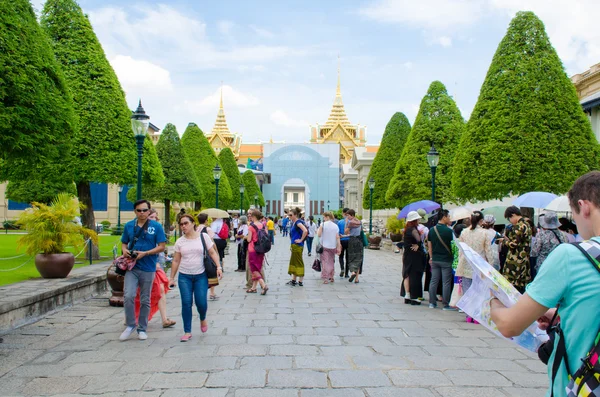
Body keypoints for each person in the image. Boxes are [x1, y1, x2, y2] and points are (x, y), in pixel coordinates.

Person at [490, 171, 600, 396]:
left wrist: (492, 302)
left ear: (584, 206)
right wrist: (558, 314)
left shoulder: (572, 256)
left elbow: (510, 325)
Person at [169, 214, 222, 342]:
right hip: (184, 276)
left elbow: (212, 252)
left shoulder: (203, 237)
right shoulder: (180, 241)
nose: (183, 226)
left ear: (193, 223)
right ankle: (187, 331)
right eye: (181, 224)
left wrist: (219, 267)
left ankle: (202, 317)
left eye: (186, 223)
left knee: (201, 302)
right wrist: (171, 278)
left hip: (200, 275)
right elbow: (176, 260)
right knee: (186, 303)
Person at [119, 199, 167, 341]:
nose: (142, 213)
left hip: (148, 266)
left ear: (149, 211)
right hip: (132, 266)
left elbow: (161, 246)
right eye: (139, 210)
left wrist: (146, 253)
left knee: (145, 298)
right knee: (128, 295)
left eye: (145, 210)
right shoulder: (129, 226)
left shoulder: (156, 226)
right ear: (135, 211)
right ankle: (130, 324)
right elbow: (123, 243)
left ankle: (142, 327)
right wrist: (124, 251)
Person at [134, 209, 176, 328]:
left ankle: (164, 319)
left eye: (156, 217)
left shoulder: (157, 229)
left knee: (161, 289)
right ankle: (131, 317)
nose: (154, 219)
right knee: (137, 293)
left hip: (155, 265)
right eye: (152, 217)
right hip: (140, 265)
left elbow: (161, 246)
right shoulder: (137, 228)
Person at [456, 211, 493, 322]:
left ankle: (469, 314)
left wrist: (459, 262)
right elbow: (488, 250)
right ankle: (477, 314)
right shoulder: (484, 233)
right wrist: (490, 265)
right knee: (479, 290)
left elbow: (461, 250)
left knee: (468, 290)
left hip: (466, 262)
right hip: (479, 264)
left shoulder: (464, 232)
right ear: (481, 220)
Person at [427, 209, 456, 310]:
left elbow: (429, 246)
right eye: (448, 216)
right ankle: (445, 304)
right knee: (446, 282)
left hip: (435, 259)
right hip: (446, 260)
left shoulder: (432, 230)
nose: (449, 218)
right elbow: (454, 247)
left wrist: (431, 257)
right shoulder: (449, 231)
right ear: (444, 217)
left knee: (434, 280)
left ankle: (432, 303)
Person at [502, 206, 532, 294]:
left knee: (513, 286)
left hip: (515, 261)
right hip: (524, 259)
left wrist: (504, 241)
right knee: (522, 284)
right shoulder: (527, 224)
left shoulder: (519, 226)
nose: (510, 221)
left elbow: (513, 244)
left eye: (509, 218)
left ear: (513, 215)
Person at [401, 211, 424, 305]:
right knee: (414, 275)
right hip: (414, 254)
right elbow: (418, 239)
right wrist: (418, 244)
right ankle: (414, 296)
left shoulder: (406, 229)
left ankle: (407, 294)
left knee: (407, 274)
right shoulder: (413, 229)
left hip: (407, 254)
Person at [245, 210, 269, 295]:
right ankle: (253, 288)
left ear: (254, 217)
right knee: (258, 267)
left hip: (253, 249)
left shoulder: (251, 227)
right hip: (261, 249)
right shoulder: (263, 225)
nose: (250, 217)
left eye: (251, 216)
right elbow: (266, 235)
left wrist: (246, 236)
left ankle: (263, 285)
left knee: (254, 269)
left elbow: (249, 239)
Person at [198, 214, 220, 300]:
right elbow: (212, 241)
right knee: (211, 271)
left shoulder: (196, 229)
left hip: (199, 251)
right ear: (206, 220)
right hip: (208, 252)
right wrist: (216, 251)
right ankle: (212, 292)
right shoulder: (208, 229)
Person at [317, 212, 341, 284]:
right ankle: (331, 276)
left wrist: (318, 230)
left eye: (324, 217)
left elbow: (319, 234)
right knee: (331, 261)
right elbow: (337, 237)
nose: (323, 219)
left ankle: (326, 277)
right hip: (333, 246)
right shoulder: (335, 226)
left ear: (327, 217)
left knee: (325, 262)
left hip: (324, 245)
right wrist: (338, 247)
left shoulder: (323, 224)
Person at [287, 207, 308, 286]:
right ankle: (294, 279)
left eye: (291, 215)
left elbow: (305, 230)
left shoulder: (298, 222)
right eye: (289, 215)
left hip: (297, 245)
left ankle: (300, 280)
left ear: (295, 215)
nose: (289, 216)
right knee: (294, 261)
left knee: (298, 262)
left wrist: (301, 240)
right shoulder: (295, 222)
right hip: (295, 245)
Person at [344, 209, 363, 284]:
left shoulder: (350, 222)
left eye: (348, 215)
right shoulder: (359, 222)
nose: (347, 217)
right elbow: (360, 231)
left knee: (351, 257)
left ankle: (352, 273)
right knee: (358, 258)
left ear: (351, 215)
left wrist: (346, 223)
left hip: (352, 241)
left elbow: (346, 231)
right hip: (359, 240)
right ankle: (357, 279)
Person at [338, 208, 350, 278]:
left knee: (341, 256)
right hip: (349, 240)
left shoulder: (340, 222)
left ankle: (342, 268)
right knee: (348, 257)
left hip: (342, 240)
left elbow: (338, 233)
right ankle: (346, 273)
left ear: (343, 213)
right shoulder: (351, 221)